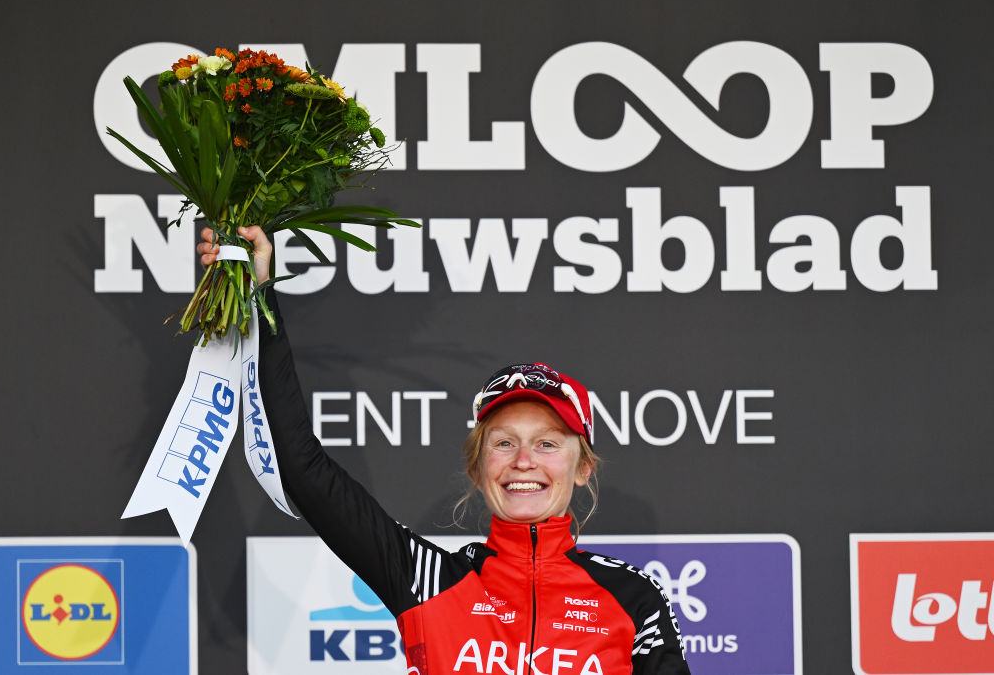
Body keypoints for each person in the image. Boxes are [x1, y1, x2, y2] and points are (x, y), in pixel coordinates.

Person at [200, 226, 691, 674]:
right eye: (503, 443)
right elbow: (302, 467)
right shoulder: (425, 578)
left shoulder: (633, 598)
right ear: (478, 468)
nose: (524, 461)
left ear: (582, 467)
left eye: (546, 443)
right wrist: (261, 295)